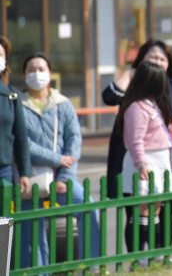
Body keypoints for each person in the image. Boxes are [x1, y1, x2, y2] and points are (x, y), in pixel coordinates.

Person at [20, 52, 101, 268]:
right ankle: (38, 272)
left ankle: (90, 267)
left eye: (41, 69)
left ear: (50, 73)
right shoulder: (17, 103)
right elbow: (23, 144)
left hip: (61, 177)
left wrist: (64, 177)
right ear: (23, 75)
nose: (36, 74)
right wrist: (57, 158)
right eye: (31, 70)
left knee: (88, 207)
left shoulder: (63, 104)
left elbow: (74, 141)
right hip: (28, 177)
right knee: (30, 225)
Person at [104, 39, 172, 199]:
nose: (157, 62)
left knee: (163, 212)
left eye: (162, 59)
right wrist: (129, 74)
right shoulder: (133, 85)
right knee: (137, 210)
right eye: (152, 57)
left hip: (163, 158)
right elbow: (109, 97)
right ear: (141, 60)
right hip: (134, 157)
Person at [117, 61, 172, 252]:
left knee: (155, 210)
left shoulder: (150, 105)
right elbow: (135, 141)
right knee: (142, 210)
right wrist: (141, 163)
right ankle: (140, 255)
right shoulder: (136, 108)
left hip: (158, 162)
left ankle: (154, 253)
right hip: (146, 163)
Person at [0, 36, 31, 196]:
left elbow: (21, 137)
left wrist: (24, 172)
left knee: (5, 219)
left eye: (0, 55)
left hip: (4, 171)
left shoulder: (12, 95)